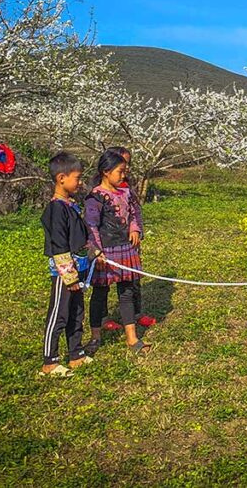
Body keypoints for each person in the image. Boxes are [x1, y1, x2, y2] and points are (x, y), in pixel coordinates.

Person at [85, 150, 150, 356]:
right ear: (105, 171)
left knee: (127, 292)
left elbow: (132, 214)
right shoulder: (95, 197)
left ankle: (132, 337)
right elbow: (91, 226)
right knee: (100, 293)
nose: (123, 176)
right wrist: (96, 252)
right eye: (120, 172)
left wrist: (134, 229)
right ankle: (96, 336)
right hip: (105, 252)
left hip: (125, 249)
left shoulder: (126, 193)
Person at [39, 152, 94, 377]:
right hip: (66, 272)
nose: (79, 183)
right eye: (77, 178)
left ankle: (75, 353)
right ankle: (50, 361)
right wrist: (68, 276)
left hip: (78, 266)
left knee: (77, 311)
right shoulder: (56, 209)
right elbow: (59, 244)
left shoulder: (70, 205)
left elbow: (78, 237)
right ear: (62, 178)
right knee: (59, 313)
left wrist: (92, 252)